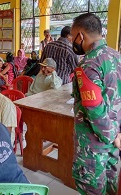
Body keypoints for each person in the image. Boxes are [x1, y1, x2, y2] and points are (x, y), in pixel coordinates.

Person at [71, 13, 121, 194]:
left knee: (92, 189)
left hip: (93, 147)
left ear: (81, 36)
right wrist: (117, 134)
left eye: (72, 36)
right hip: (114, 142)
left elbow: (95, 110)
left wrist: (112, 136)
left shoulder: (89, 64)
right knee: (111, 187)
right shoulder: (116, 56)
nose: (72, 41)